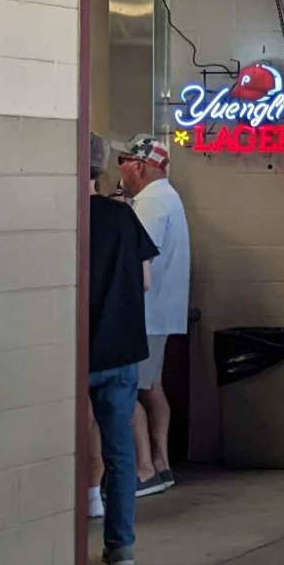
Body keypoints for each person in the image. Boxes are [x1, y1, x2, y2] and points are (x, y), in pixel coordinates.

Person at [85, 134, 156, 565]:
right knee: (119, 450)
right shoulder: (124, 218)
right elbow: (146, 281)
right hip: (122, 350)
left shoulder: (62, 220)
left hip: (75, 351)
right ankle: (121, 545)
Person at [116, 135, 190, 499]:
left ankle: (144, 469)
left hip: (143, 315)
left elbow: (137, 260)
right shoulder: (169, 198)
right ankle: (162, 463)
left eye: (122, 161)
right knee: (151, 388)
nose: (119, 170)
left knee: (126, 391)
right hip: (162, 315)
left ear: (139, 165)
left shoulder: (150, 204)